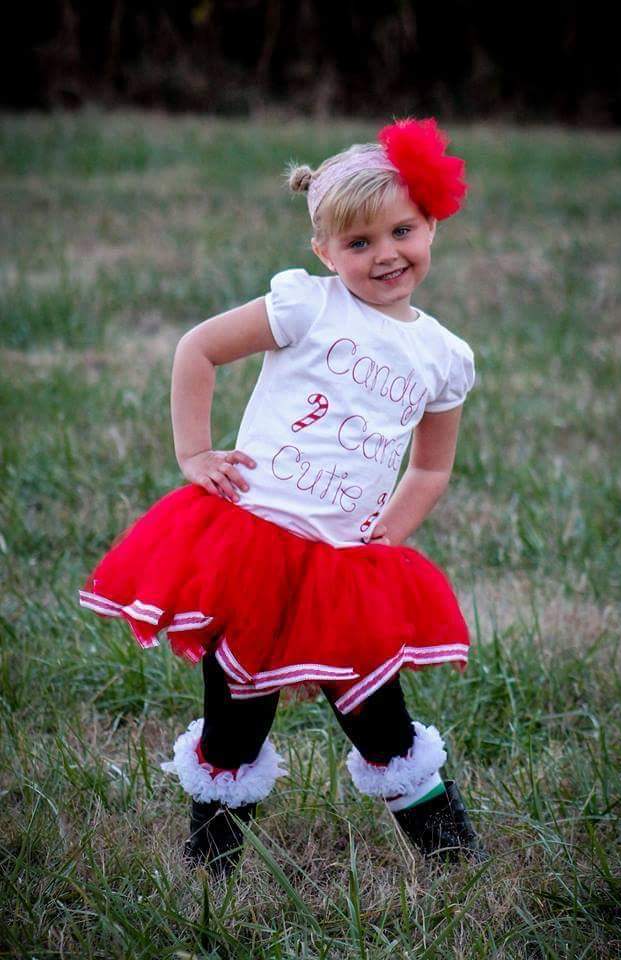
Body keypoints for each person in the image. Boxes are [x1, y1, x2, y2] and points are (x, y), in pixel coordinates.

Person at [78, 116, 487, 877]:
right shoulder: (308, 307)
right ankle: (212, 860)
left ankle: (452, 855)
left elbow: (430, 468)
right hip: (253, 547)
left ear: (431, 224)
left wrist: (387, 536)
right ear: (323, 251)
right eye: (357, 243)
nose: (384, 255)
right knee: (236, 713)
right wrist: (195, 451)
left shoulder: (444, 357)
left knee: (376, 714)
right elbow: (197, 347)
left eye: (401, 231)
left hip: (343, 566)